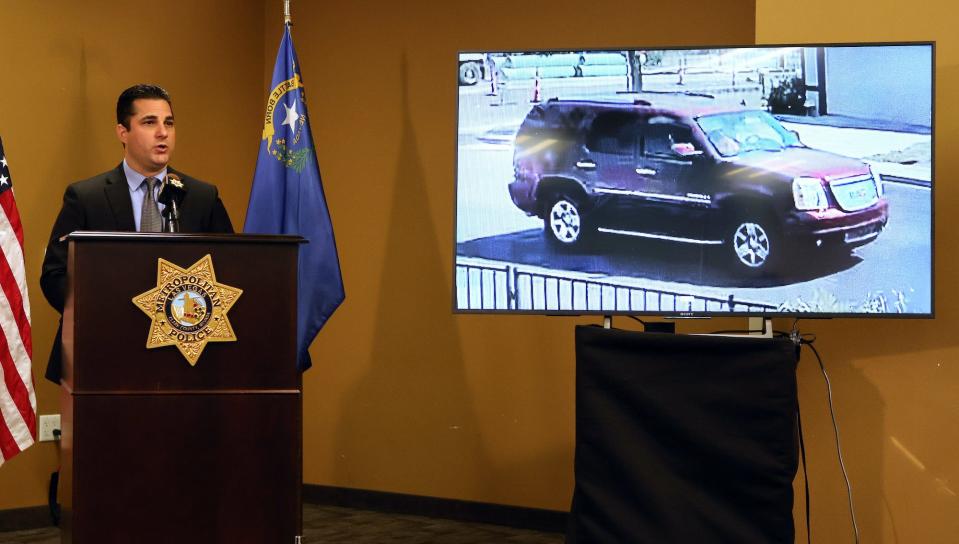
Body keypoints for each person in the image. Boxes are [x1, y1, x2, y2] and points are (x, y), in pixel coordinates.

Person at [40, 84, 234, 383]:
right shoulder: (86, 197)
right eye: (149, 122)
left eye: (168, 123)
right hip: (104, 355)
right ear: (123, 132)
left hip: (185, 358)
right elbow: (55, 275)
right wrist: (104, 312)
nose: (162, 133)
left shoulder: (201, 197)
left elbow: (228, 271)